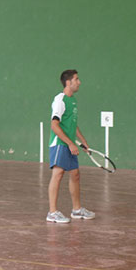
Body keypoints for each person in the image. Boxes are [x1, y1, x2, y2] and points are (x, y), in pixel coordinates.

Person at [47, 69, 95, 223]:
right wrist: (69, 143)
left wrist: (83, 142)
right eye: (76, 79)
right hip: (60, 144)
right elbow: (54, 125)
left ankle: (76, 210)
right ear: (68, 82)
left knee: (75, 174)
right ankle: (52, 213)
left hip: (69, 144)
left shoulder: (72, 100)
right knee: (58, 174)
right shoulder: (60, 100)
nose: (79, 82)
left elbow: (73, 125)